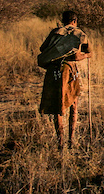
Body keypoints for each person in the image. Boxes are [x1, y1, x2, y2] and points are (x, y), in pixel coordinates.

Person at [38, 10, 91, 150]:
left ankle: (60, 142)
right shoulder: (79, 34)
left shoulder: (55, 32)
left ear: (63, 20)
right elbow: (78, 56)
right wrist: (87, 56)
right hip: (69, 71)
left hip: (53, 71)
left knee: (58, 106)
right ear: (75, 21)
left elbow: (43, 48)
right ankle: (71, 140)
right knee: (73, 104)